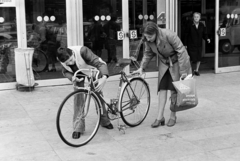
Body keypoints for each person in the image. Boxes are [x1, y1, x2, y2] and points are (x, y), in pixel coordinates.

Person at [133, 21, 192, 127]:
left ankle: (173, 116)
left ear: (156, 32)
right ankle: (160, 117)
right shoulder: (148, 40)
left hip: (176, 63)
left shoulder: (168, 34)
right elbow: (148, 53)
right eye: (146, 37)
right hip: (164, 64)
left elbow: (181, 51)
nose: (148, 39)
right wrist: (142, 67)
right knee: (162, 89)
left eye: (150, 36)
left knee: (174, 90)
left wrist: (183, 72)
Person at [56, 45, 113, 139]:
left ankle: (104, 120)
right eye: (68, 63)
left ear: (73, 54)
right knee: (78, 98)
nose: (71, 63)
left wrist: (104, 77)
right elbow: (65, 71)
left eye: (71, 59)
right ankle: (78, 128)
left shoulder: (83, 51)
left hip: (92, 70)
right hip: (78, 74)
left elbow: (100, 63)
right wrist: (72, 77)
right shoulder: (62, 60)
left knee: (98, 94)